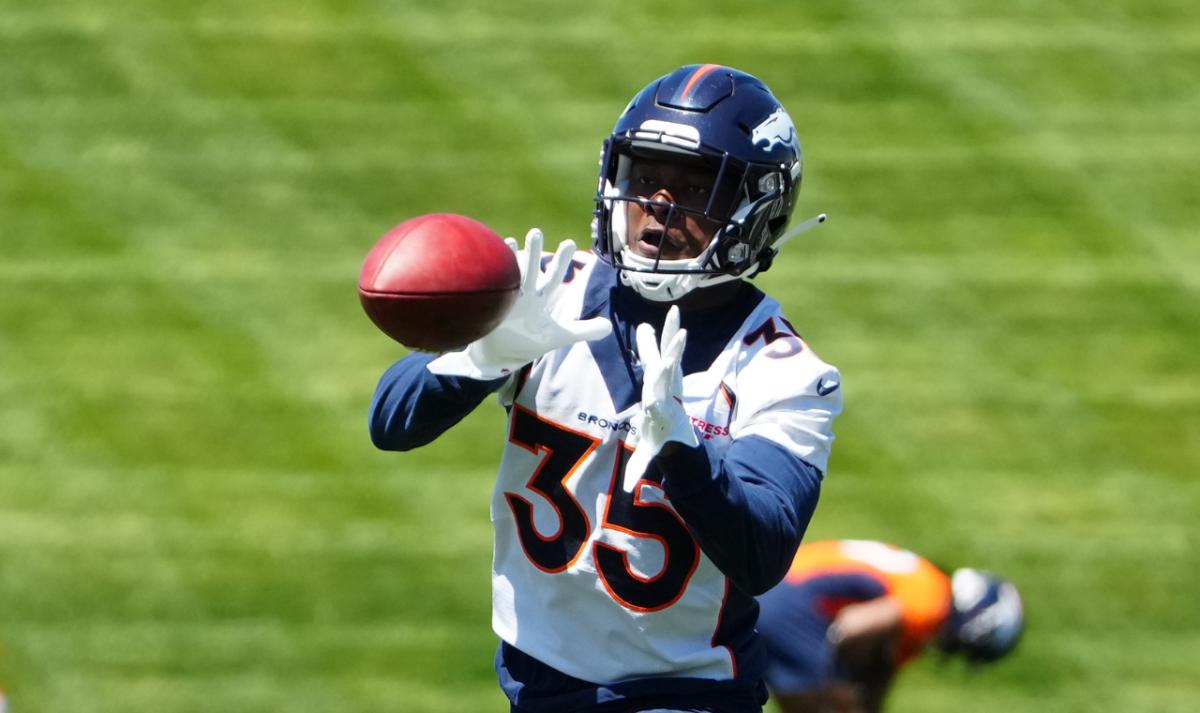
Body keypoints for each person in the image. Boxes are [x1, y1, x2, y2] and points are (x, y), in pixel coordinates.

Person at [370, 64, 842, 713]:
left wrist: (685, 455)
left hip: (685, 691)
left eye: (697, 186)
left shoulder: (781, 370)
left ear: (755, 207)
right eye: (646, 178)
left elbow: (762, 553)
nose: (659, 206)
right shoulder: (549, 294)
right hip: (537, 680)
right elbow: (390, 423)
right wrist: (481, 356)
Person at [755, 539, 1025, 713]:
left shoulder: (927, 583)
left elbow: (880, 675)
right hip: (789, 601)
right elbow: (849, 627)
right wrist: (836, 679)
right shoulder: (930, 605)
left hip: (773, 583)